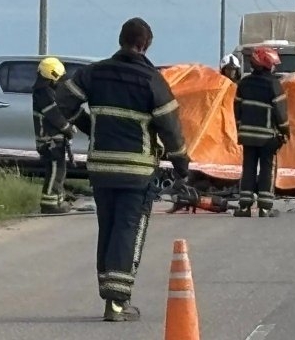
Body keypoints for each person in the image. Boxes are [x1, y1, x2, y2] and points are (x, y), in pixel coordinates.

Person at [56, 17, 191, 322]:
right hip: (136, 171)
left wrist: (89, 126)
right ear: (145, 45)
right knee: (128, 230)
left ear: (120, 40)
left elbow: (63, 101)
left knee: (108, 227)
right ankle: (117, 302)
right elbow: (170, 129)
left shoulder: (95, 73)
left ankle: (109, 294)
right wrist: (181, 164)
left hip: (102, 168)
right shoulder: (152, 80)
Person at [233, 46, 290, 218]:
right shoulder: (274, 85)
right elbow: (281, 113)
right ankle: (265, 207)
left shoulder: (244, 83)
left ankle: (244, 207)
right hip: (267, 136)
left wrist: (241, 127)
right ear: (268, 64)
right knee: (267, 168)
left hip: (247, 135)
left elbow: (237, 109)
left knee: (248, 168)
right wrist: (285, 131)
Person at [32, 57, 75, 215]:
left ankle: (58, 200)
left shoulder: (44, 91)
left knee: (59, 170)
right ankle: (50, 204)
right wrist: (67, 129)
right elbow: (54, 115)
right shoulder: (44, 93)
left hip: (51, 139)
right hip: (49, 140)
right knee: (56, 170)